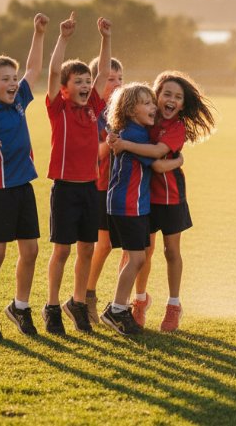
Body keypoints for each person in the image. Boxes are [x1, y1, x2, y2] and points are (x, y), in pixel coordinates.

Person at [108, 71, 216, 331]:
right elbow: (122, 117)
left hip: (170, 197)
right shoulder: (146, 119)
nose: (171, 100)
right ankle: (139, 301)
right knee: (142, 252)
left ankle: (173, 306)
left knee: (171, 251)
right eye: (166, 94)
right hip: (143, 198)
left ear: (182, 103)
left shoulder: (177, 128)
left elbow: (157, 162)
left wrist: (176, 161)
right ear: (155, 96)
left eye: (178, 97)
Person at [0, 13, 48, 339]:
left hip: (22, 189)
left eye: (14, 78)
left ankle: (20, 306)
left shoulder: (17, 104)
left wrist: (38, 33)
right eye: (6, 78)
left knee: (30, 251)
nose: (14, 82)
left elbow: (33, 69)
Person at [42, 13, 112, 334]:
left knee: (87, 248)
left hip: (90, 190)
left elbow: (102, 73)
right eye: (79, 83)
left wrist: (105, 38)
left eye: (88, 82)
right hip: (65, 189)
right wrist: (64, 38)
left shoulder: (94, 107)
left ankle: (78, 303)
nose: (86, 86)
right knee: (63, 250)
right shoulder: (59, 108)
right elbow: (55, 70)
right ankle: (53, 306)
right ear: (65, 89)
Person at [101, 83, 182, 335]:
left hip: (126, 205)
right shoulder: (136, 136)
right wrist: (178, 160)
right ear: (129, 109)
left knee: (134, 256)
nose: (153, 107)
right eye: (146, 103)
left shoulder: (128, 132)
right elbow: (157, 164)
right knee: (137, 258)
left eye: (151, 101)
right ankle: (116, 309)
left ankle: (120, 307)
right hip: (129, 206)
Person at [84, 56, 124, 323]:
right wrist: (111, 143)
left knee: (135, 248)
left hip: (122, 185)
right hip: (99, 186)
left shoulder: (124, 109)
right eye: (110, 79)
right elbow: (93, 153)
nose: (117, 83)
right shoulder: (93, 113)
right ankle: (87, 296)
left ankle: (125, 303)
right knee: (103, 244)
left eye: (120, 78)